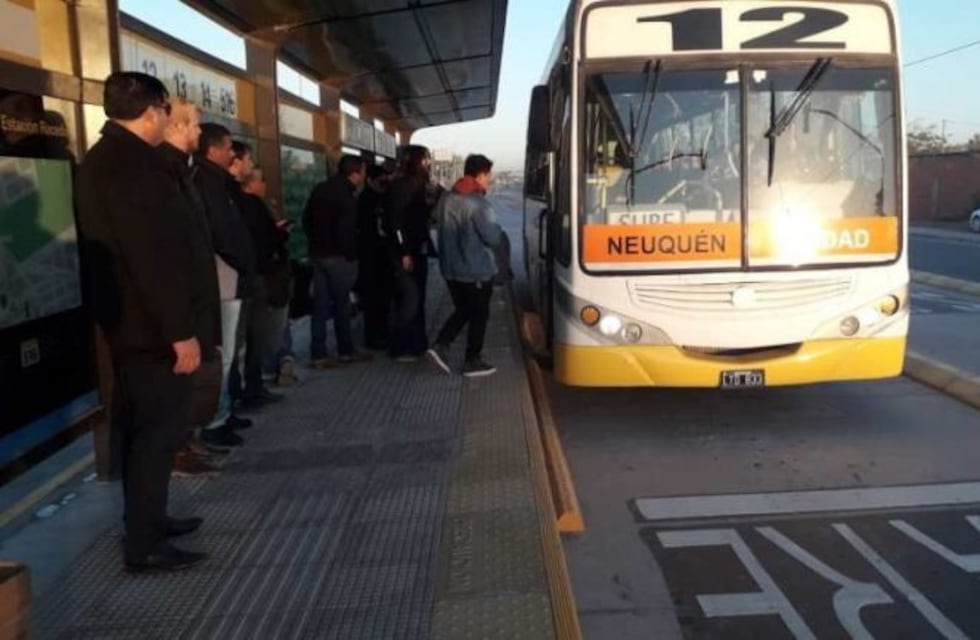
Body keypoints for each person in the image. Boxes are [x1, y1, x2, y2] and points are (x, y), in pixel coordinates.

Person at [75, 71, 211, 571]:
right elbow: (152, 258)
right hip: (153, 330)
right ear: (153, 111)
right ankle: (145, 543)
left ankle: (149, 522)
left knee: (143, 433)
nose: (167, 121)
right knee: (156, 435)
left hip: (131, 326)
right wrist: (180, 331)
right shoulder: (134, 167)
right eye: (166, 113)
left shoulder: (101, 160)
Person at [159, 98, 226, 477]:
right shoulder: (165, 173)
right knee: (187, 382)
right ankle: (177, 448)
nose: (199, 131)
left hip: (196, 296)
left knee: (199, 379)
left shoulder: (183, 171)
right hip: (183, 305)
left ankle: (186, 443)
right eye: (195, 124)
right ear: (176, 126)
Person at [193, 123, 256, 446]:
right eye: (229, 147)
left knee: (233, 351)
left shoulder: (215, 181)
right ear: (213, 149)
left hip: (229, 276)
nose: (233, 153)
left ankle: (226, 410)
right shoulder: (207, 183)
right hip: (224, 277)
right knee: (225, 353)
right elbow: (222, 232)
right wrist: (243, 261)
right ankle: (215, 420)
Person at [426, 154, 502, 377]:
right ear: (480, 175)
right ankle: (470, 359)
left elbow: (433, 219)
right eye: (488, 175)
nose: (489, 180)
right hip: (475, 271)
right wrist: (498, 230)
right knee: (478, 315)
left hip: (450, 270)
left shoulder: (447, 199)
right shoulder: (478, 203)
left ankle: (442, 345)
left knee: (464, 310)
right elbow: (492, 238)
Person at [303, 154, 372, 368]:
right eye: (363, 171)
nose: (364, 176)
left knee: (320, 306)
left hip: (318, 254)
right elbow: (346, 231)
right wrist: (351, 255)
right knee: (342, 304)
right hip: (339, 258)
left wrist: (315, 243)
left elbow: (306, 219)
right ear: (355, 173)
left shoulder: (320, 189)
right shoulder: (347, 196)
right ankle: (345, 350)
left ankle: (318, 353)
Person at [239, 166, 292, 396]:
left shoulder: (257, 203)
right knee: (263, 328)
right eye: (261, 180)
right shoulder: (253, 206)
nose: (264, 184)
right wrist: (281, 232)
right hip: (264, 275)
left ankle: (270, 367)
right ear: (250, 184)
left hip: (261, 274)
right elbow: (267, 239)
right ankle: (262, 375)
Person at [386, 145, 435, 362]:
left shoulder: (421, 186)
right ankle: (400, 347)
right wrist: (404, 252)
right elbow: (396, 223)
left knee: (418, 298)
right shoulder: (400, 187)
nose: (429, 163)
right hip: (405, 252)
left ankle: (418, 344)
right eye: (426, 159)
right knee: (410, 299)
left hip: (419, 249)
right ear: (417, 161)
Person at [356, 163, 394, 350]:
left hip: (377, 256)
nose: (384, 184)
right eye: (380, 181)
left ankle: (379, 334)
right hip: (371, 257)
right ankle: (374, 337)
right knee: (373, 300)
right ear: (369, 180)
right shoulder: (367, 201)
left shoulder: (377, 198)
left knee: (380, 299)